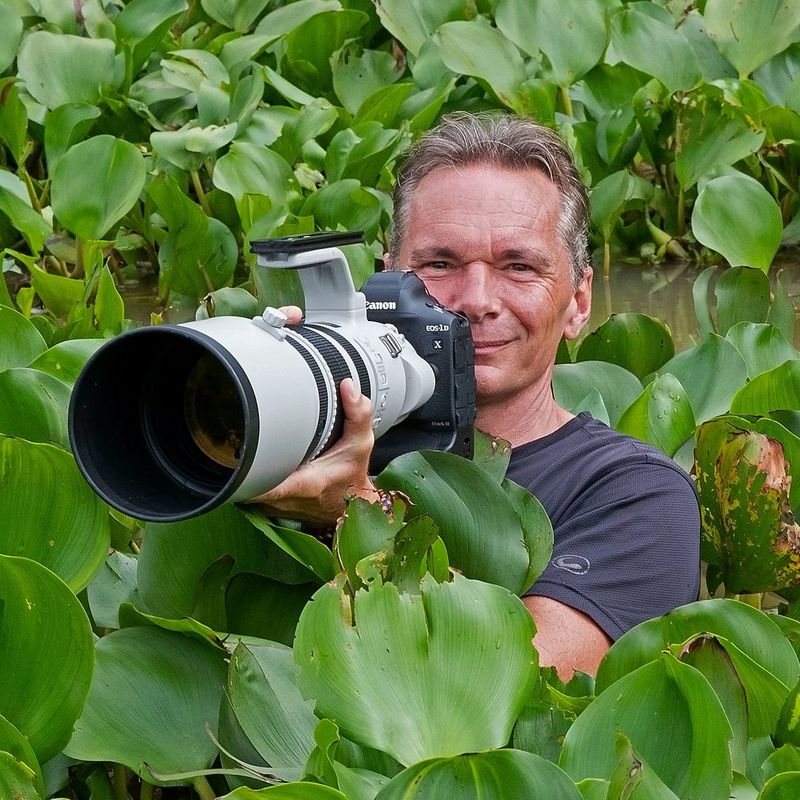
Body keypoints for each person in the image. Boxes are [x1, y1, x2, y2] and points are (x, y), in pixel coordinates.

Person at [246, 112, 701, 679]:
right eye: (439, 264)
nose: (476, 299)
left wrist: (356, 511)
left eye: (519, 266)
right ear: (384, 282)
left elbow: (512, 690)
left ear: (579, 302)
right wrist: (267, 390)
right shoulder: (297, 433)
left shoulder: (637, 493)